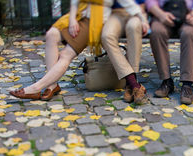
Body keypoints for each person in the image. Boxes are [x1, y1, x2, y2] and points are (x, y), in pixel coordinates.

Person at [10, 0, 144, 101]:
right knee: (51, 35)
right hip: (79, 16)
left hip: (94, 23)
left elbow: (128, 3)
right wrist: (73, 19)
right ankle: (52, 85)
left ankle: (35, 88)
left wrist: (143, 19)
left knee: (65, 55)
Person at [146, 0, 193, 104]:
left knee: (189, 33)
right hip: (163, 13)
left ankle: (187, 85)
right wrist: (160, 14)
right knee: (157, 32)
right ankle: (166, 81)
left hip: (189, 14)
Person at [101, 0, 150, 104]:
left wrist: (143, 17)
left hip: (138, 11)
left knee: (133, 27)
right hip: (116, 13)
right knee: (106, 36)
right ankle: (134, 84)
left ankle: (130, 85)